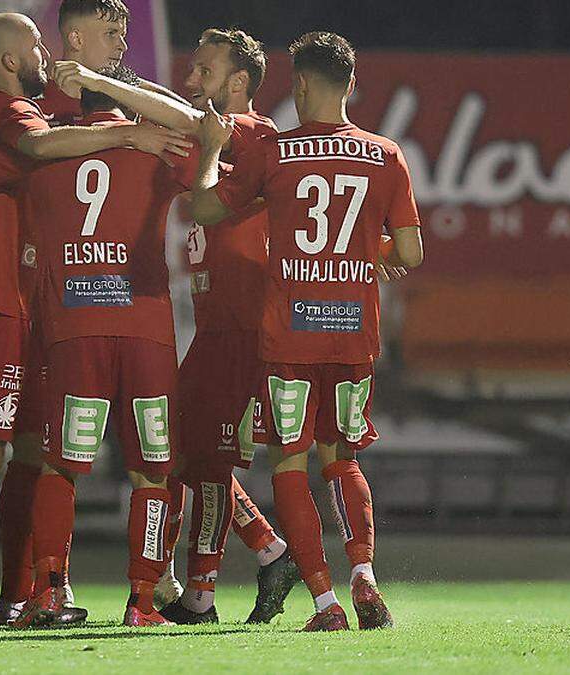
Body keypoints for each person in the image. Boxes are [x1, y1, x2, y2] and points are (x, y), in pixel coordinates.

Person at [0, 12, 189, 627]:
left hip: (32, 309)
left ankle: (24, 595)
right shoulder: (17, 117)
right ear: (13, 60)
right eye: (36, 46)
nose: (45, 53)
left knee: (31, 453)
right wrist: (128, 135)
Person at [189, 31, 424, 631]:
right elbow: (414, 252)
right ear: (349, 84)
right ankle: (365, 576)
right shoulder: (387, 153)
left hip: (290, 336)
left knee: (288, 462)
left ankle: (324, 602)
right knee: (342, 460)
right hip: (352, 334)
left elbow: (207, 209)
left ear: (297, 84)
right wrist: (372, 257)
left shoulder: (275, 153)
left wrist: (213, 152)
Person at [8, 66, 199, 628]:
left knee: (61, 467)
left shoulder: (47, 151)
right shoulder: (157, 149)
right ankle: (142, 602)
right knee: (152, 471)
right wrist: (136, 111)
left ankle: (49, 592)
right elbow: (196, 130)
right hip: (145, 332)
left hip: (73, 328)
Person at [157, 27, 301, 626]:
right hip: (215, 325)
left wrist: (93, 79)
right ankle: (270, 552)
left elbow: (168, 115)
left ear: (239, 83)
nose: (191, 83)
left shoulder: (255, 135)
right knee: (185, 455)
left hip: (244, 327)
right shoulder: (209, 139)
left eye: (204, 72)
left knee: (206, 460)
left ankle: (202, 594)